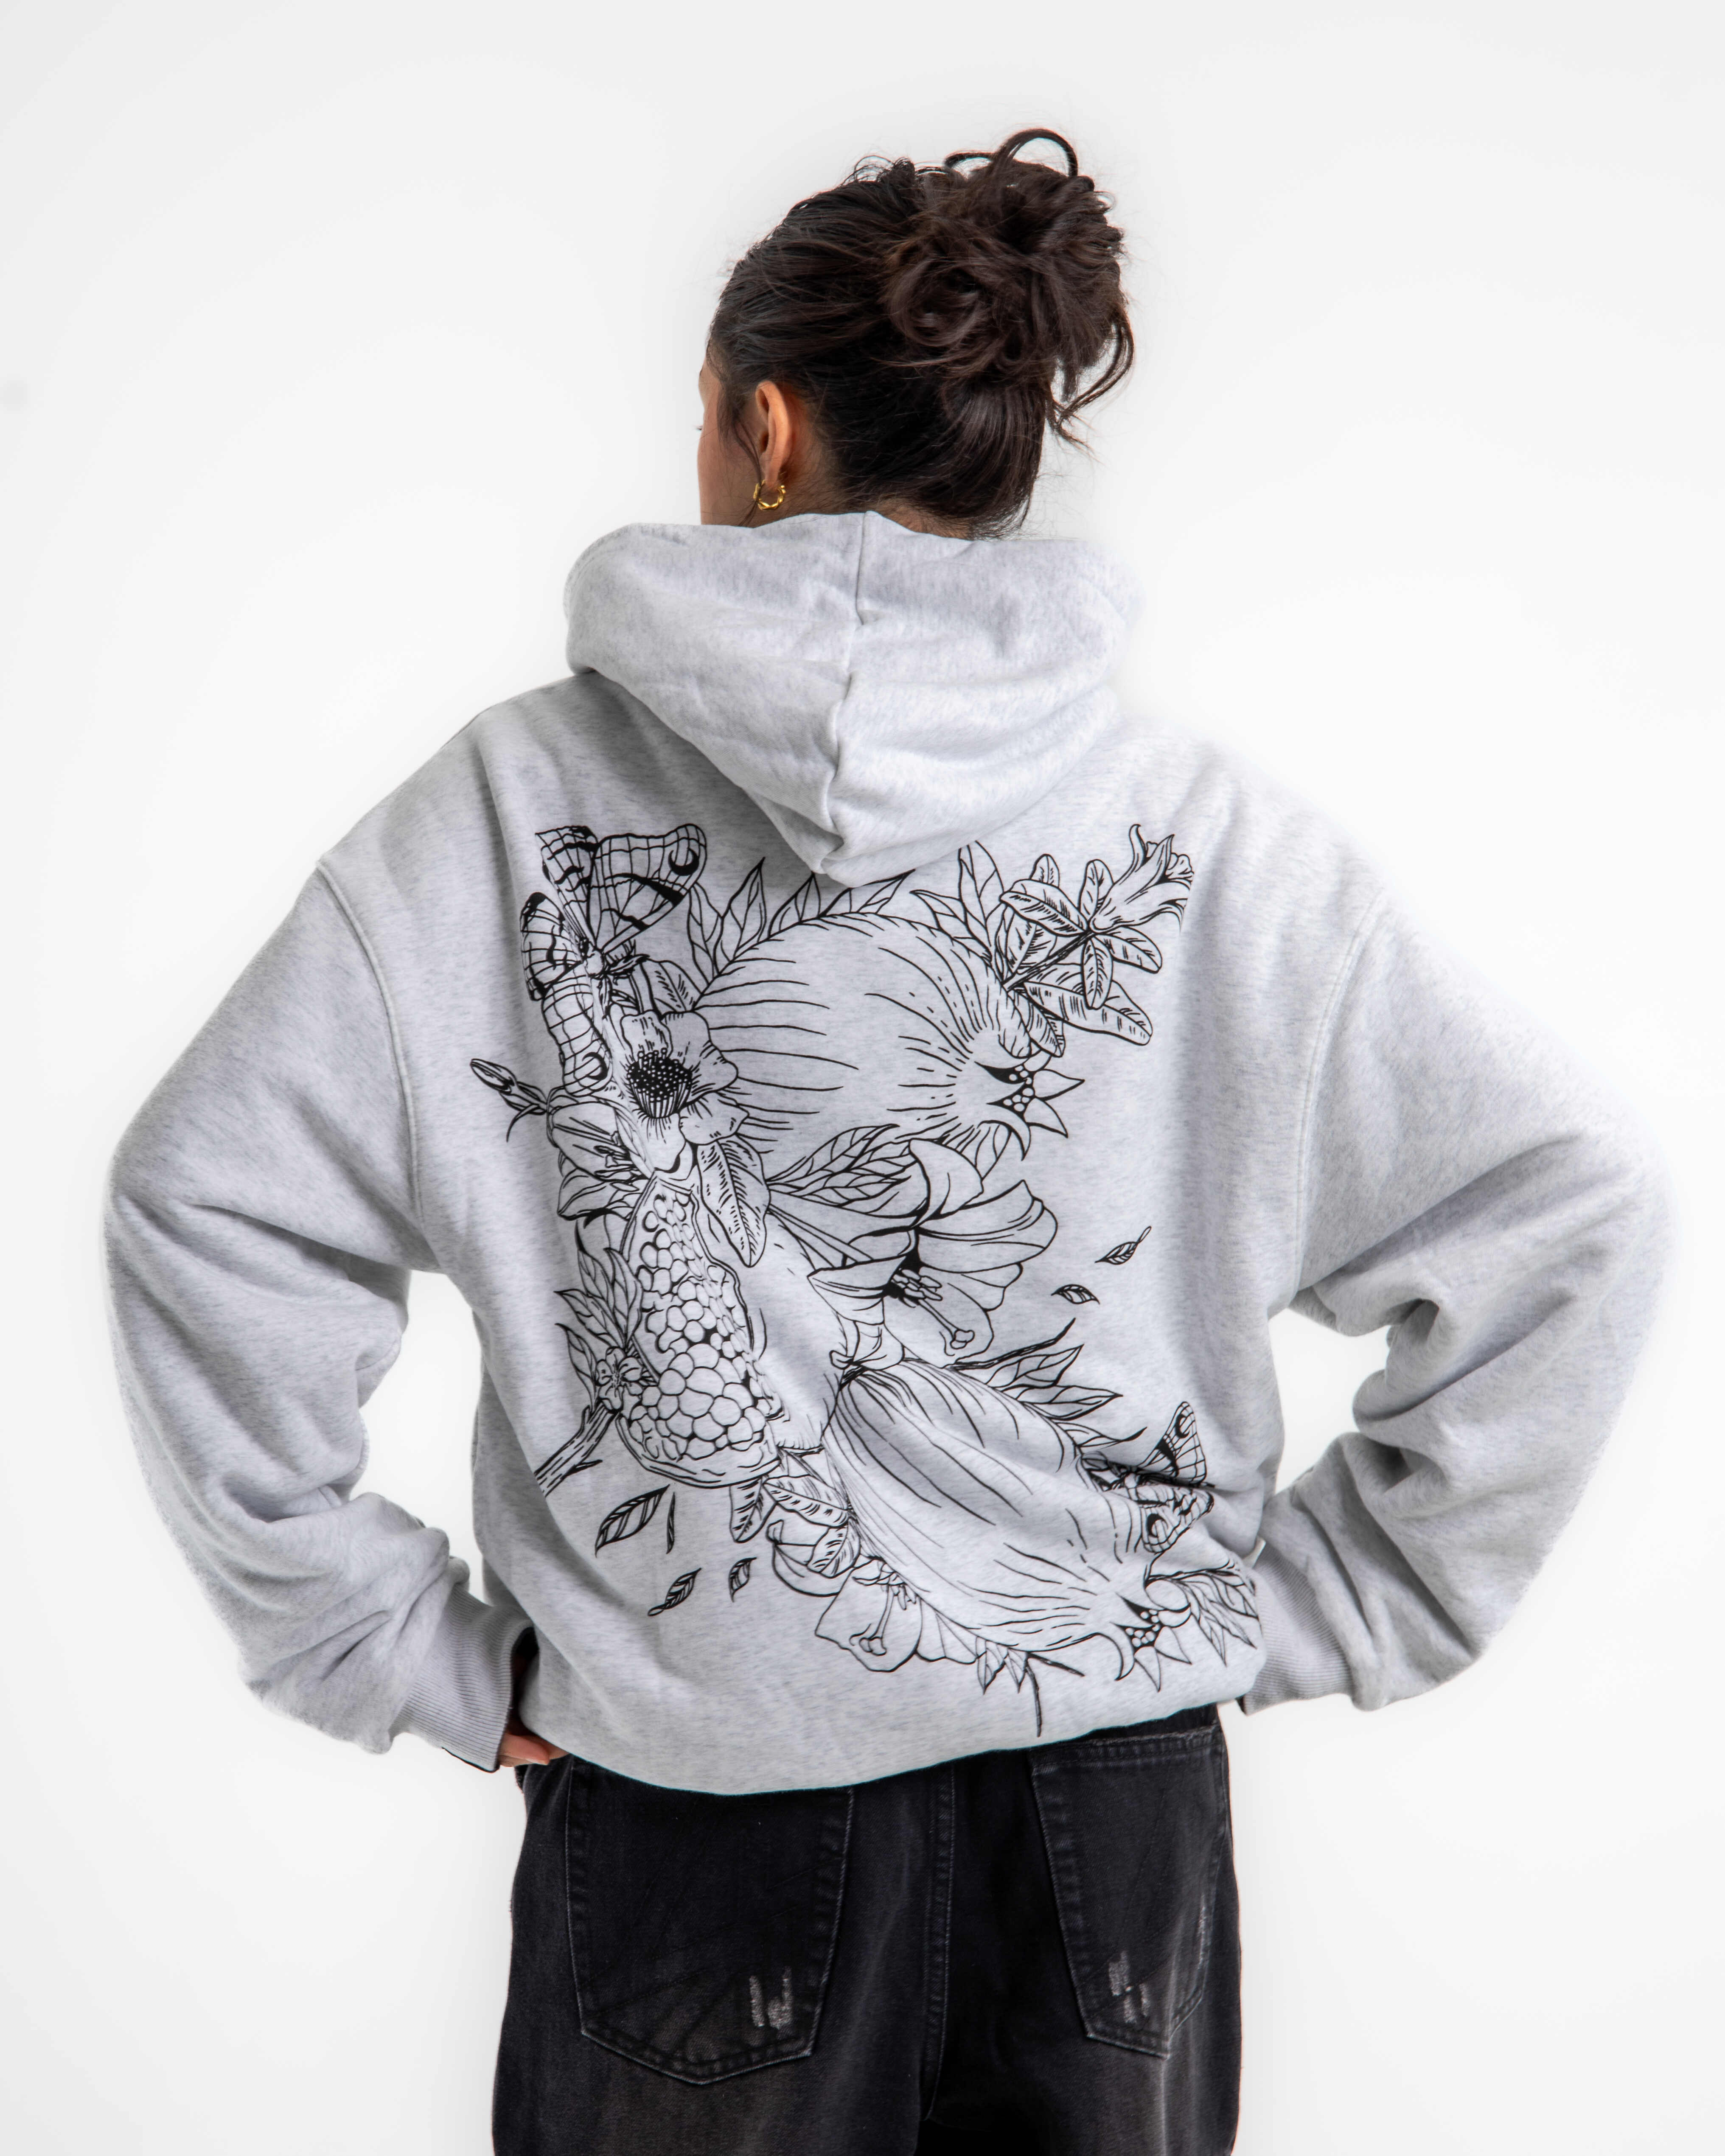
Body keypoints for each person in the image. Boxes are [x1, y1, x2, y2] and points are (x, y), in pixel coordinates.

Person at [103, 129, 1670, 2156]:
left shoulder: (499, 818)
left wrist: (376, 1636)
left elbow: (205, 1197)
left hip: (691, 1828)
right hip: (1109, 1828)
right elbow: (1570, 1206)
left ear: (762, 429)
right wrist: (1339, 1601)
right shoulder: (1217, 842)